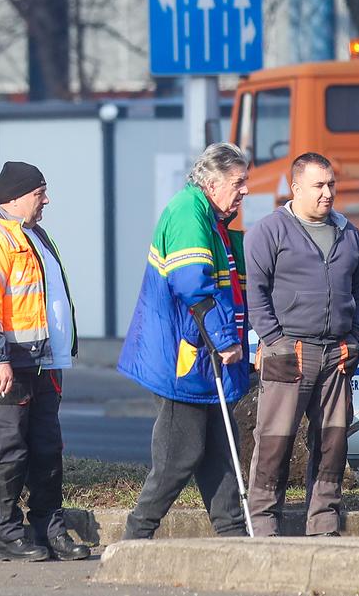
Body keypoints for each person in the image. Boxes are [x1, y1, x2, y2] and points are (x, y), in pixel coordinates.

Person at [117, 142, 253, 540]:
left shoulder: (211, 217)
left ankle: (232, 535)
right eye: (238, 182)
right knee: (180, 455)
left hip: (201, 358)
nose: (245, 190)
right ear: (212, 183)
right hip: (185, 358)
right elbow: (193, 285)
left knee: (219, 453)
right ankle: (136, 537)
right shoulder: (188, 212)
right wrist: (225, 340)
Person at [0, 160, 91, 562]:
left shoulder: (33, 234)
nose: (46, 200)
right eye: (39, 193)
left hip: (40, 362)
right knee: (7, 450)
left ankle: (49, 529)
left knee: (47, 448)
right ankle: (7, 535)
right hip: (6, 365)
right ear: (15, 197)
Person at [244, 152, 359, 537]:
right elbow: (255, 293)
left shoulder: (348, 232)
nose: (327, 193)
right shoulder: (269, 231)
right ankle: (264, 522)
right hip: (289, 352)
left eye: (331, 184)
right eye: (318, 185)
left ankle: (324, 522)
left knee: (333, 441)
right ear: (296, 188)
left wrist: (354, 334)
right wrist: (274, 341)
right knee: (275, 441)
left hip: (337, 354)